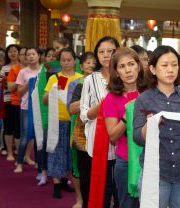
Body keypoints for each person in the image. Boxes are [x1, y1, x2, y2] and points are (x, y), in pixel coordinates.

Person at [133, 45, 180, 208]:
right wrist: (149, 125)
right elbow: (138, 138)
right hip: (155, 174)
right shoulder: (144, 99)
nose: (171, 70)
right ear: (153, 69)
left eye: (174, 65)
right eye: (165, 65)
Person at [80, 36, 120, 208]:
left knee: (120, 190)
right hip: (97, 143)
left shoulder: (124, 76)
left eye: (110, 51)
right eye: (101, 52)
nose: (106, 55)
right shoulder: (90, 80)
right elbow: (84, 114)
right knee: (102, 190)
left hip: (121, 143)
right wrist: (103, 105)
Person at [104, 47, 145, 208]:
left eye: (131, 64)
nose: (128, 70)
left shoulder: (150, 92)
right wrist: (127, 116)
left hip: (152, 160)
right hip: (126, 161)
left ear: (139, 66)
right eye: (122, 66)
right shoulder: (111, 98)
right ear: (116, 72)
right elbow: (112, 136)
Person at [43, 48, 82, 199]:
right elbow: (45, 101)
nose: (66, 63)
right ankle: (57, 184)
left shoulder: (81, 78)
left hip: (75, 122)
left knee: (70, 154)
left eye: (69, 60)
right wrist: (51, 92)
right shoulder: (56, 78)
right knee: (56, 152)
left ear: (75, 61)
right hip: (57, 121)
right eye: (63, 60)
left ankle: (66, 181)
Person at [69, 52, 96, 208]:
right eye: (88, 62)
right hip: (81, 129)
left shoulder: (105, 82)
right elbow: (71, 108)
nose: (91, 65)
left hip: (99, 131)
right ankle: (81, 200)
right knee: (82, 171)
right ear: (81, 65)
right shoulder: (78, 83)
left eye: (94, 62)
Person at [14, 48, 41, 173]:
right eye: (28, 55)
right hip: (26, 107)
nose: (31, 56)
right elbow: (19, 92)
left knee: (38, 136)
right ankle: (19, 163)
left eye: (33, 54)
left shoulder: (44, 70)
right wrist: (29, 83)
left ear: (38, 56)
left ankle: (38, 162)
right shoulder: (23, 72)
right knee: (25, 136)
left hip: (41, 107)